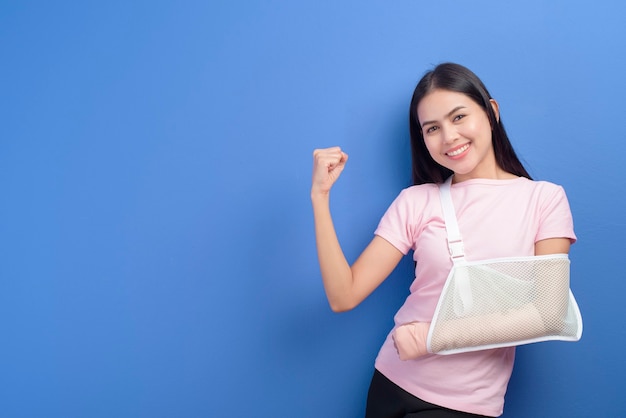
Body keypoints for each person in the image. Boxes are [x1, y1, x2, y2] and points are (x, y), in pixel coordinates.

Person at [310, 63, 576, 417]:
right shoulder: (416, 201)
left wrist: (429, 338)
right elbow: (344, 296)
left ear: (491, 112)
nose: (449, 137)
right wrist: (320, 197)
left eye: (459, 117)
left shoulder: (544, 200)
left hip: (465, 404)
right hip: (393, 380)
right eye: (432, 128)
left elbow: (548, 314)